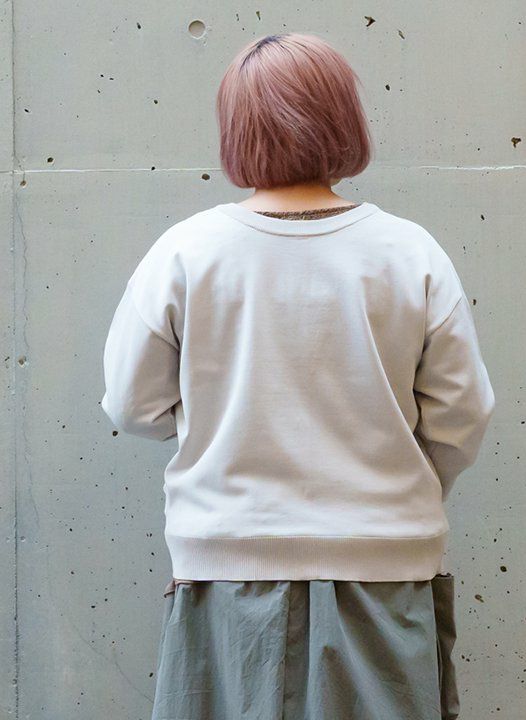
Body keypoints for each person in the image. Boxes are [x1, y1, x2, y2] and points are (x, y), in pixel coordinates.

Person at [100, 32, 495, 720]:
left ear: (236, 127)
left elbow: (133, 406)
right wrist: (398, 485)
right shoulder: (410, 252)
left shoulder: (186, 252)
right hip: (386, 570)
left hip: (225, 569)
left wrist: (212, 416)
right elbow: (463, 414)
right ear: (345, 119)